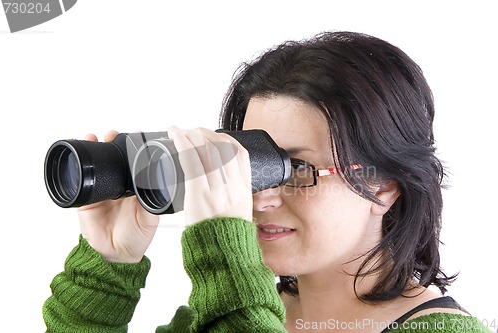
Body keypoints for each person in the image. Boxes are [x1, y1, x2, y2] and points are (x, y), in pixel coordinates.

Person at [43, 31, 491, 332]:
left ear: (383, 185)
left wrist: (224, 253)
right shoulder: (228, 312)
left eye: (294, 169)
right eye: (251, 166)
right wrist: (107, 268)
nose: (258, 198)